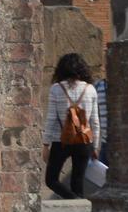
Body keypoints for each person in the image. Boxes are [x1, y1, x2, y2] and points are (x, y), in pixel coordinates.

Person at [43, 53, 101, 200]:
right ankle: (78, 206)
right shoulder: (90, 89)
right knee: (78, 180)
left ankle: (72, 199)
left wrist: (45, 144)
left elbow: (51, 119)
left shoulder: (56, 89)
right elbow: (95, 121)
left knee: (51, 180)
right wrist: (95, 146)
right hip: (84, 140)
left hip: (61, 140)